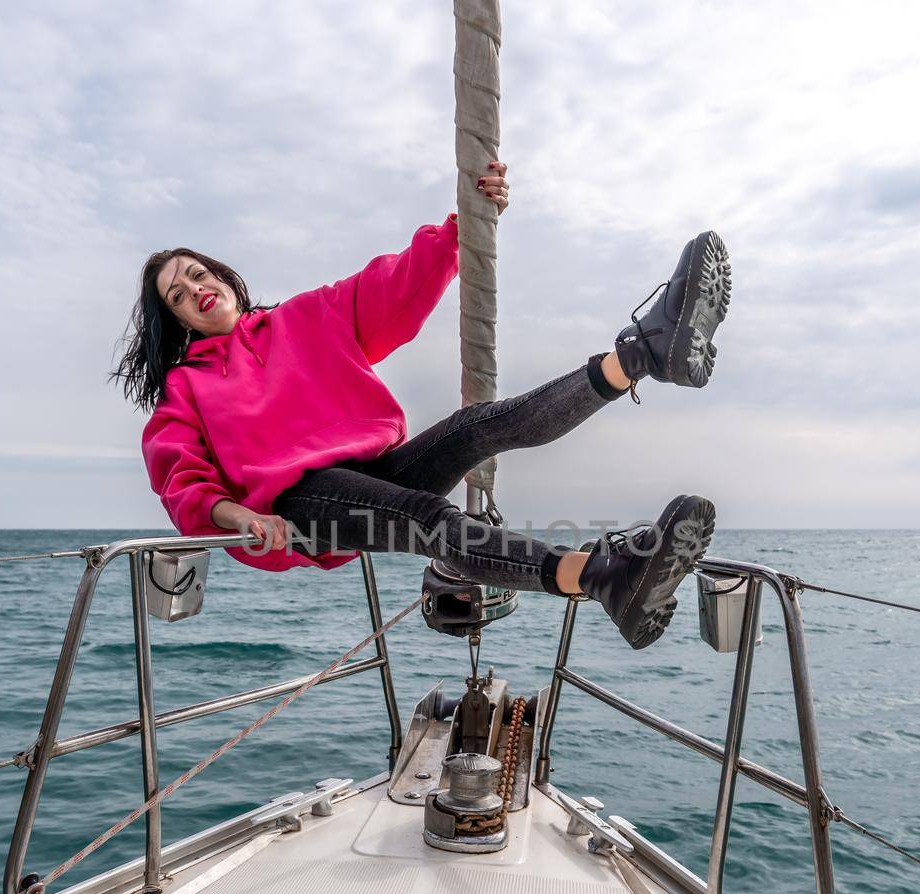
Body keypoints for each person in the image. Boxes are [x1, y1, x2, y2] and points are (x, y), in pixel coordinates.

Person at [113, 161, 731, 650]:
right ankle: (601, 577)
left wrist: (468, 221)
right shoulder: (185, 390)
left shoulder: (303, 318)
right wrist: (243, 520)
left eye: (198, 274)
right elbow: (182, 484)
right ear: (178, 322)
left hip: (373, 470)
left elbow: (393, 287)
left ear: (221, 274)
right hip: (299, 506)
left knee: (477, 426)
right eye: (178, 294)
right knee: (428, 519)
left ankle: (647, 353)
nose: (196, 289)